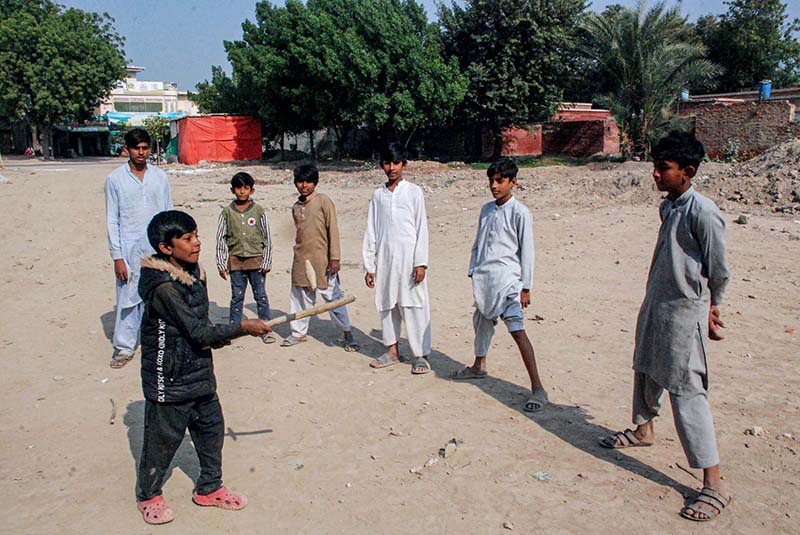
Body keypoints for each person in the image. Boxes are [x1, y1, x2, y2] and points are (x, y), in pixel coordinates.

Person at [599, 131, 731, 522]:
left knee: (688, 392)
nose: (655, 174)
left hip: (683, 315)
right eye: (656, 167)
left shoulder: (703, 212)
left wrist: (713, 307)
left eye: (663, 168)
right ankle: (643, 430)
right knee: (645, 370)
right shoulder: (669, 207)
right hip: (656, 306)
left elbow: (718, 269)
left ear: (687, 172)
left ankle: (713, 482)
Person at [135, 210, 272, 525]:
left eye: (196, 235)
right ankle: (149, 494)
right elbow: (198, 332)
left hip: (198, 371)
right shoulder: (164, 287)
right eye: (187, 239)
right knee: (162, 440)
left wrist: (231, 331)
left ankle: (210, 488)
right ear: (165, 248)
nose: (197, 243)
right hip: (168, 376)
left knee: (211, 429)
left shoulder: (196, 272)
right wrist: (242, 327)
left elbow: (202, 326)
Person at [450, 159, 548, 412]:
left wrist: (526, 287)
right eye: (491, 181)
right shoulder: (486, 210)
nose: (494, 186)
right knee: (481, 323)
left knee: (517, 330)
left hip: (509, 283)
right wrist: (473, 269)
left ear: (513, 182)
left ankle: (538, 387)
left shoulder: (520, 213)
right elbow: (478, 242)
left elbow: (527, 251)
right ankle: (478, 366)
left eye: (500, 181)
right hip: (485, 279)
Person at [105, 128, 172, 369]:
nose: (141, 153)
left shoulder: (159, 177)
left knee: (160, 295)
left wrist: (171, 247)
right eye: (137, 149)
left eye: (145, 148)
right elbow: (112, 219)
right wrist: (117, 256)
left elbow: (167, 212)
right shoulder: (115, 179)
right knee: (128, 298)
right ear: (128, 150)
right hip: (129, 248)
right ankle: (124, 347)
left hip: (156, 247)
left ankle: (159, 345)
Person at [363, 143, 431, 374]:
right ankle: (391, 351)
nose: (391, 168)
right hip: (385, 261)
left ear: (404, 164)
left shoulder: (413, 192)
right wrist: (369, 266)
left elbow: (421, 228)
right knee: (386, 305)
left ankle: (420, 355)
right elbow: (371, 231)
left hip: (409, 261)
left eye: (396, 163)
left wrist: (420, 262)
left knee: (413, 306)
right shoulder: (377, 196)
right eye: (387, 163)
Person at [281, 164, 358, 350]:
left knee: (334, 298)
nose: (304, 185)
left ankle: (347, 334)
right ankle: (298, 334)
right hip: (301, 260)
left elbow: (333, 230)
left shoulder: (324, 201)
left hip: (323, 261)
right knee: (299, 298)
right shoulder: (296, 207)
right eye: (300, 181)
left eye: (308, 181)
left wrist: (335, 259)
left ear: (315, 182)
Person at [215, 172, 274, 343]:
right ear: (232, 190)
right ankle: (233, 330)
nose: (242, 191)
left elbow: (267, 238)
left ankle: (265, 328)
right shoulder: (226, 213)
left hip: (256, 262)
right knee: (237, 296)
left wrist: (267, 260)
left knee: (261, 296)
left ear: (252, 190)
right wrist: (221, 263)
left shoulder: (259, 211)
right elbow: (221, 238)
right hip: (236, 263)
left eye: (246, 188)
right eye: (238, 188)